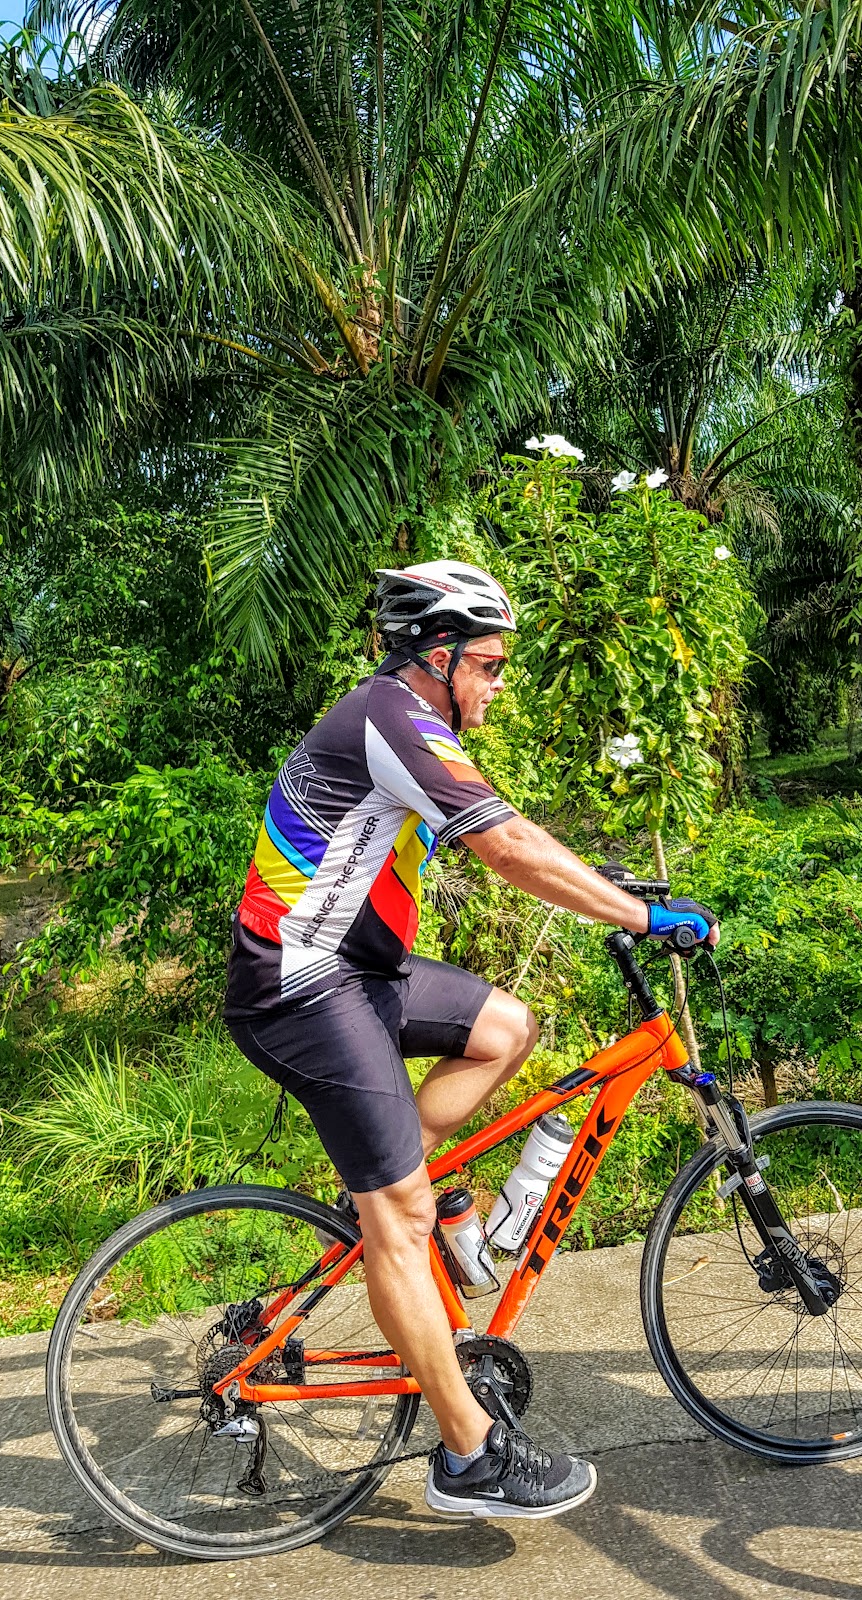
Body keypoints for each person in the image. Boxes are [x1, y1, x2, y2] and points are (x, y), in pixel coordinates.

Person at [224, 560, 719, 1520]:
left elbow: (517, 830)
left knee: (506, 1028)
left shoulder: (409, 720)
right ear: (438, 656)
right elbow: (509, 849)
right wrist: (641, 919)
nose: (497, 684)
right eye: (488, 665)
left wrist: (615, 891)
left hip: (355, 971)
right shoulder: (390, 717)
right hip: (298, 983)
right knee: (406, 1218)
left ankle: (380, 1195)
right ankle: (468, 1456)